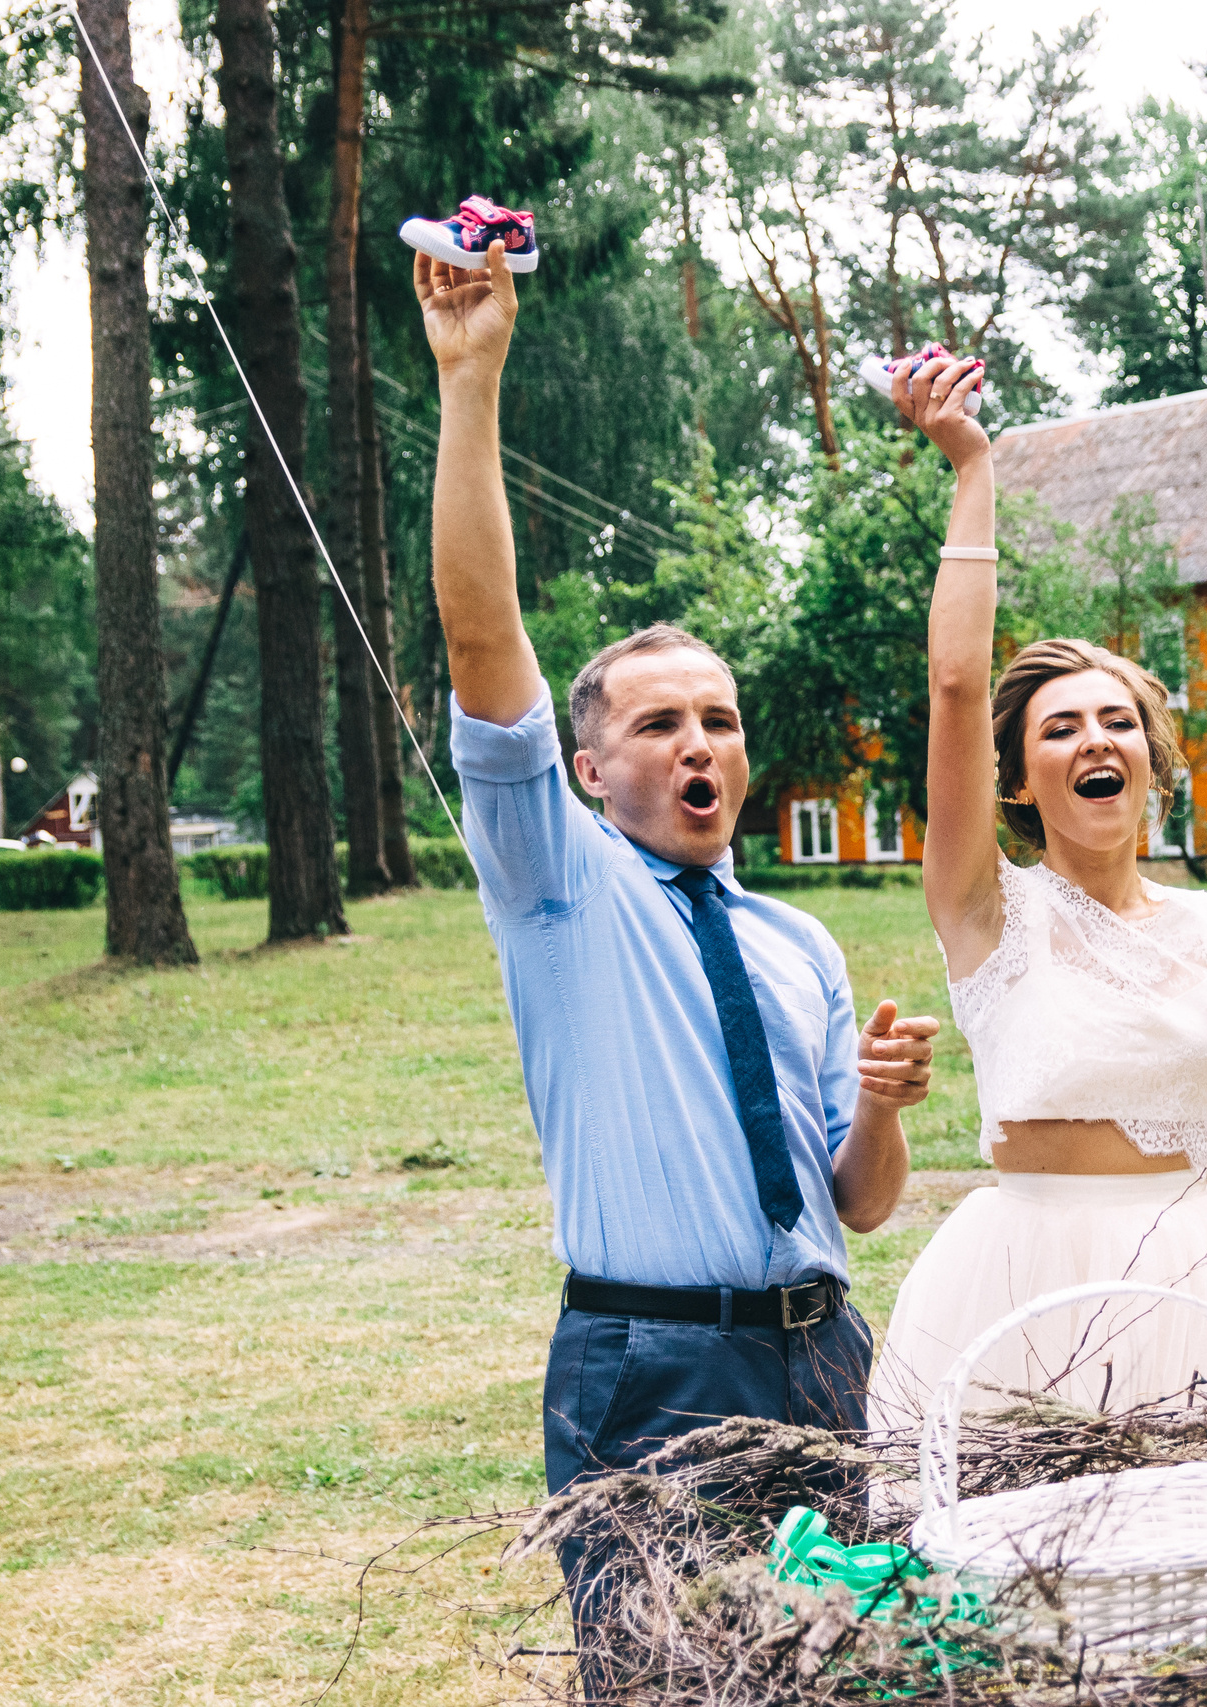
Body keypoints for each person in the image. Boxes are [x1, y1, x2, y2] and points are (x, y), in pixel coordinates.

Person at [412, 250, 943, 1614]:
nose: (698, 740)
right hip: (649, 1363)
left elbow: (861, 1202)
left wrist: (882, 1106)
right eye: (659, 721)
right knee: (661, 1670)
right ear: (591, 767)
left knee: (838, 1659)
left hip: (825, 1355)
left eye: (719, 717)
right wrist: (471, 381)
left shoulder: (799, 941)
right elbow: (482, 637)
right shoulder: (559, 887)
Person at [866, 350, 1207, 1438]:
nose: (1093, 739)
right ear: (1019, 778)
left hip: (1193, 1282)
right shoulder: (986, 909)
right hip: (1011, 1285)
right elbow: (958, 684)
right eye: (1058, 729)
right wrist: (971, 468)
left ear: (1153, 759)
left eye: (1115, 722)